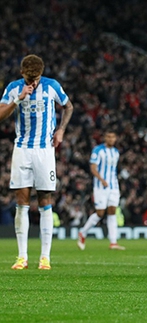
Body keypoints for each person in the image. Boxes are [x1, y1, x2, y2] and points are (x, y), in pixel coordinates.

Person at [0, 54, 74, 270]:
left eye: (37, 78)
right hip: (22, 149)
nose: (33, 83)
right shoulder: (14, 88)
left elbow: (68, 106)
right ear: (22, 73)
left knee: (45, 200)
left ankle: (45, 257)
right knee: (21, 202)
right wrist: (18, 99)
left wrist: (61, 130)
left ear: (42, 73)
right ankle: (22, 257)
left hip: (44, 150)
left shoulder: (51, 86)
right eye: (30, 78)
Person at [77, 130, 126, 250]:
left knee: (112, 211)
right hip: (100, 186)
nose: (111, 139)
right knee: (100, 213)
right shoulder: (98, 150)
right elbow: (93, 168)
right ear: (105, 138)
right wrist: (101, 179)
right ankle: (83, 232)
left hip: (113, 185)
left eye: (113, 137)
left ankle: (113, 242)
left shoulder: (115, 152)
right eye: (108, 137)